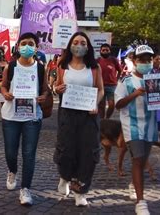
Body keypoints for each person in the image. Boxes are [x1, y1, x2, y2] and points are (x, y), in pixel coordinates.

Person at [53, 32, 104, 206]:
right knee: (66, 149)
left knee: (87, 153)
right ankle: (65, 176)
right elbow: (57, 85)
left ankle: (80, 191)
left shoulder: (94, 67)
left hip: (88, 115)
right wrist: (57, 89)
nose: (79, 45)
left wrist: (95, 104)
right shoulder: (62, 65)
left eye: (82, 42)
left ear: (88, 46)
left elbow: (101, 90)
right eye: (75, 42)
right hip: (67, 113)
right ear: (70, 45)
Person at [0, 32, 50, 206]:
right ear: (18, 46)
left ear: (36, 48)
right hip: (11, 116)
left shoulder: (40, 68)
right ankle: (12, 170)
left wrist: (43, 96)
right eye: (24, 43)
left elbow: (45, 89)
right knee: (10, 152)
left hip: (32, 116)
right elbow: (3, 86)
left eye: (31, 43)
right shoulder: (11, 66)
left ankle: (25, 189)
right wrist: (6, 93)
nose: (27, 46)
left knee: (29, 154)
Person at [115, 44, 158, 215]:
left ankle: (135, 184)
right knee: (138, 159)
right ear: (134, 60)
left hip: (150, 126)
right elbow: (118, 104)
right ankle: (141, 202)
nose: (146, 63)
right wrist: (136, 93)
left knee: (143, 159)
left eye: (149, 60)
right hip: (132, 126)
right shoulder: (126, 81)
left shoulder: (156, 79)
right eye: (142, 60)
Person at [97, 43, 122, 119]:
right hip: (100, 86)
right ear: (100, 51)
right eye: (103, 50)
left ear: (110, 51)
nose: (105, 51)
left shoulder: (114, 60)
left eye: (107, 50)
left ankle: (107, 118)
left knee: (112, 105)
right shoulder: (97, 61)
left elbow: (120, 71)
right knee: (101, 106)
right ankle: (102, 121)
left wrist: (116, 79)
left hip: (112, 86)